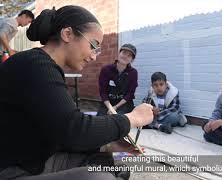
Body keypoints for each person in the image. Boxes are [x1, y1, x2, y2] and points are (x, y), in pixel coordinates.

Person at [0, 5, 153, 180]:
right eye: (94, 45)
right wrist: (133, 118)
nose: (94, 56)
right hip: (12, 169)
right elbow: (74, 129)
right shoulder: (34, 65)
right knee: (100, 178)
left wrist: (108, 147)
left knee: (107, 161)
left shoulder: (44, 66)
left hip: (35, 158)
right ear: (67, 34)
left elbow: (60, 130)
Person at [97, 43, 138, 115]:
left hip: (124, 103)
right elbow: (103, 92)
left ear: (132, 60)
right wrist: (110, 107)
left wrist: (115, 107)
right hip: (108, 103)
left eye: (129, 56)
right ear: (119, 54)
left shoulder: (133, 73)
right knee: (99, 120)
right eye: (124, 53)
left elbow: (130, 94)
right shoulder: (106, 69)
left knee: (118, 120)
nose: (125, 56)